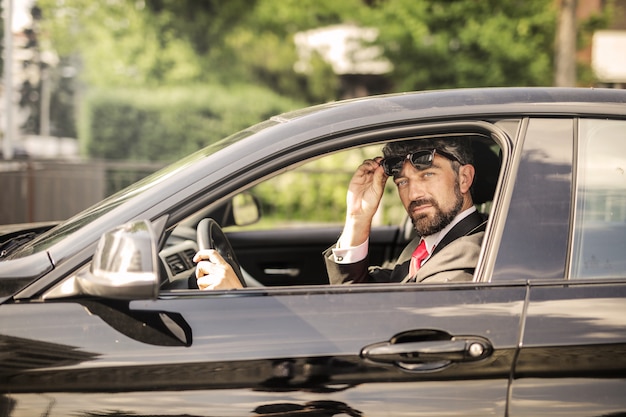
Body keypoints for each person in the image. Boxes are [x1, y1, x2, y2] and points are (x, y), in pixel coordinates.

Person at [324, 137, 487, 284]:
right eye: (402, 182)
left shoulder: (468, 259)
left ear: (464, 178)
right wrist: (358, 217)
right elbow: (359, 297)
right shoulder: (421, 246)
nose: (413, 194)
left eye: (427, 174)